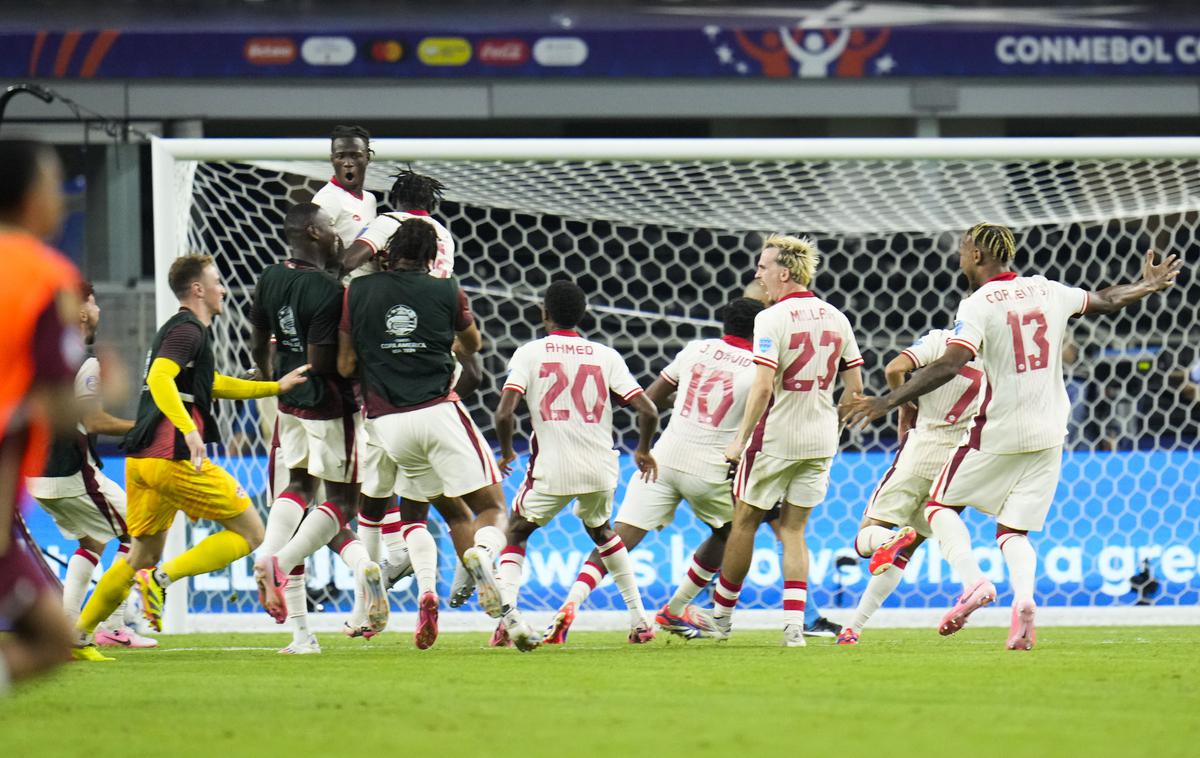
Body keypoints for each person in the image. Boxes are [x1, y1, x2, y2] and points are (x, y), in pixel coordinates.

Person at [842, 222, 1183, 650]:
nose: (960, 256)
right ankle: (1023, 600)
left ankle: (973, 584)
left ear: (979, 256)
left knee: (938, 506)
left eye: (965, 249)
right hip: (1053, 431)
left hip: (998, 430)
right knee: (1012, 532)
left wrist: (887, 404)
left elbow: (949, 364)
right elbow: (1108, 300)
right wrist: (1147, 286)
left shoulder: (978, 304)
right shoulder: (1047, 289)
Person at [74, 255, 308, 658]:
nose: (222, 289)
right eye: (216, 281)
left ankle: (79, 636)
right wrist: (187, 430)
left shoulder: (179, 331)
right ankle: (161, 580)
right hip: (171, 457)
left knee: (138, 555)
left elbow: (211, 384)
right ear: (197, 289)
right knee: (252, 533)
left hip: (141, 461)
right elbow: (160, 377)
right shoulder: (188, 330)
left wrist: (274, 387)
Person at [552, 297, 763, 642]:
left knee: (615, 538)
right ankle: (676, 609)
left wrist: (677, 411)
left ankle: (569, 605)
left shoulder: (696, 350)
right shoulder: (758, 367)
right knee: (732, 533)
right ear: (759, 330)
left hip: (662, 458)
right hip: (709, 467)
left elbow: (650, 397)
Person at [339, 218, 507, 650]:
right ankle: (481, 558)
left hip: (384, 423)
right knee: (488, 507)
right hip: (436, 411)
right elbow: (473, 346)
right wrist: (433, 339)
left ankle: (373, 589)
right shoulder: (446, 289)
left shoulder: (357, 292)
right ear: (434, 257)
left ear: (388, 252)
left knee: (398, 510)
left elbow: (343, 364)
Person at [494, 280, 659, 651]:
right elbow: (647, 409)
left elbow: (504, 413)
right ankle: (639, 619)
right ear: (582, 315)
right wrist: (644, 450)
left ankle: (508, 617)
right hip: (600, 468)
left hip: (551, 468)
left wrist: (506, 452)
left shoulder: (529, 353)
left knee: (516, 531)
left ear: (544, 313)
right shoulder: (605, 355)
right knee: (602, 532)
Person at [716, 235, 864, 647]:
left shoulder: (771, 318)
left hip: (776, 436)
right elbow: (855, 389)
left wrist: (738, 441)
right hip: (820, 438)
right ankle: (795, 629)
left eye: (762, 268)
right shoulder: (837, 317)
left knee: (744, 518)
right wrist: (832, 426)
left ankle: (722, 617)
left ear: (783, 272)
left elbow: (763, 388)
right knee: (795, 531)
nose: (757, 275)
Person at [250, 203, 383, 655]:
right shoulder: (327, 289)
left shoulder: (269, 276)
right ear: (312, 231)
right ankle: (280, 560)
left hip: (287, 400)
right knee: (344, 501)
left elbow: (259, 335)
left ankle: (273, 558)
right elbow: (326, 361)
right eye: (329, 228)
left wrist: (270, 379)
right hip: (329, 404)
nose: (336, 235)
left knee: (299, 485)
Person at [26, 281, 157, 648]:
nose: (99, 310)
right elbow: (95, 421)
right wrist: (143, 427)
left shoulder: (47, 358)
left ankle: (67, 633)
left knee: (94, 540)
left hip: (38, 476)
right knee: (141, 535)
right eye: (95, 303)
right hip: (70, 472)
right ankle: (112, 625)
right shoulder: (85, 360)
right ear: (82, 311)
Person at [835, 327, 984, 645]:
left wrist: (904, 404)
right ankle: (854, 627)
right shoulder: (1000, 358)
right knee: (904, 551)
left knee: (866, 538)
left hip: (921, 449)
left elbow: (894, 368)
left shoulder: (942, 341)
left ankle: (888, 538)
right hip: (959, 459)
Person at [0, 138, 86, 684]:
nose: (63, 200)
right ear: (31, 196)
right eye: (55, 187)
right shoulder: (44, 273)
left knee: (54, 635)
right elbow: (58, 402)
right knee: (54, 640)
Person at [311, 125, 378, 254]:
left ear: (367, 158)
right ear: (332, 160)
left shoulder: (370, 199)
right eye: (341, 156)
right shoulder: (327, 199)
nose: (348, 163)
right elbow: (314, 253)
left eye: (355, 156)